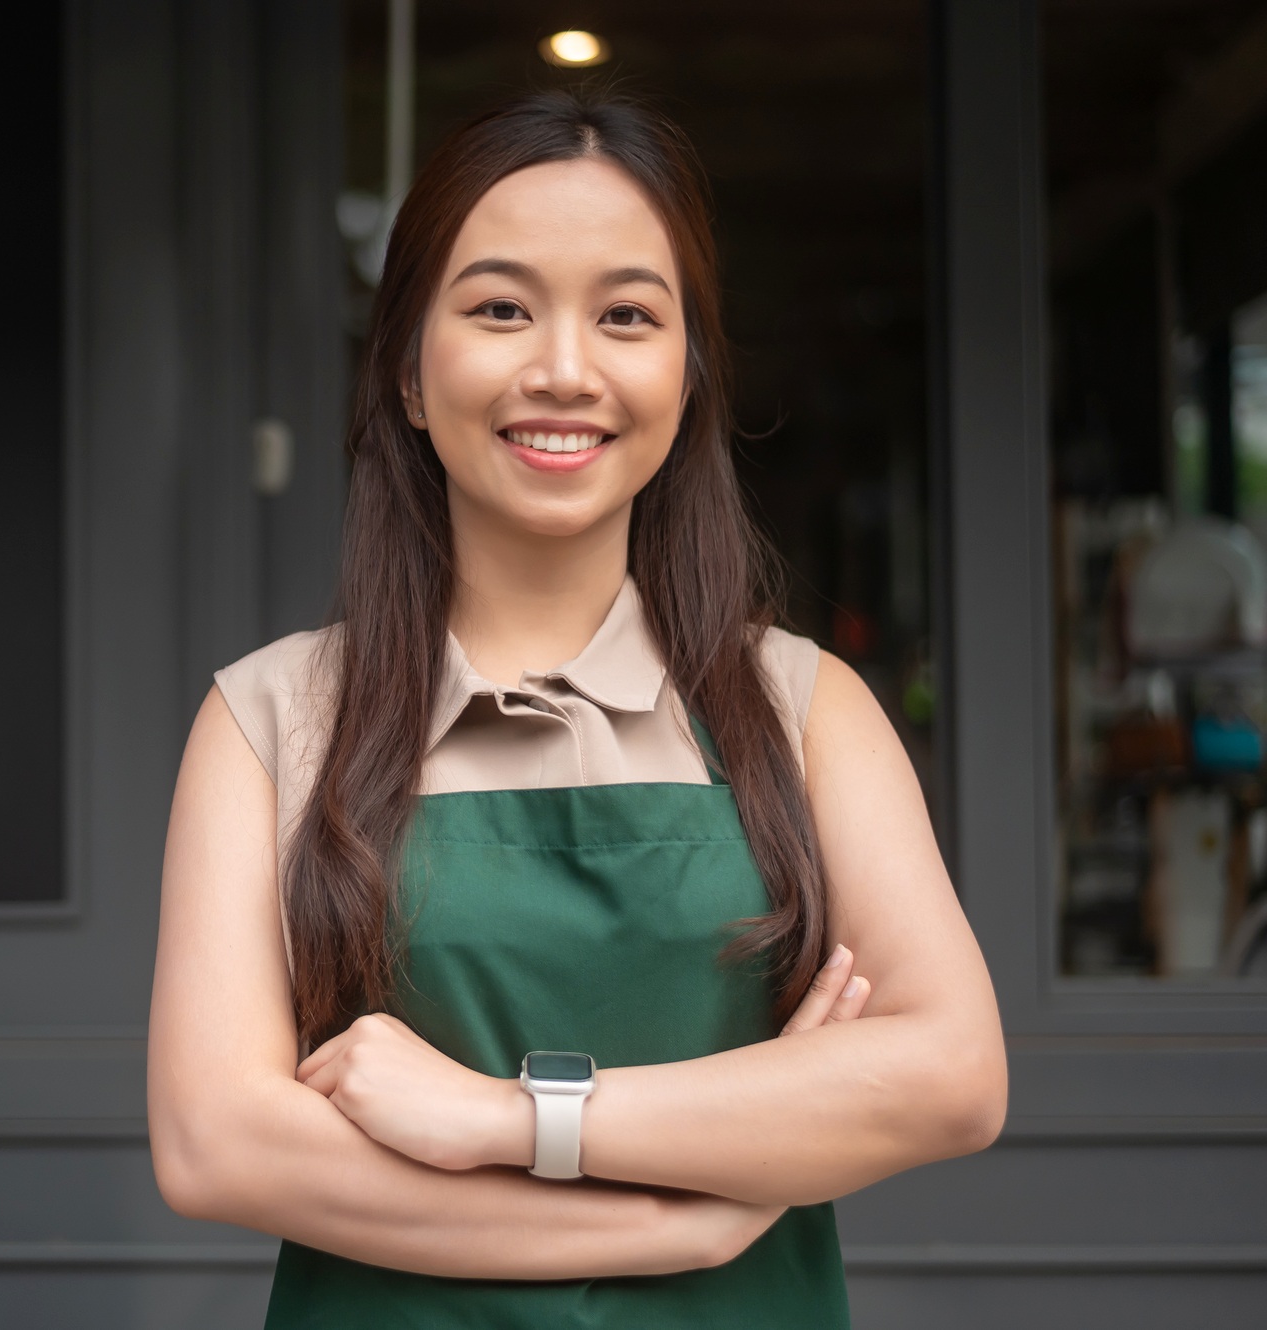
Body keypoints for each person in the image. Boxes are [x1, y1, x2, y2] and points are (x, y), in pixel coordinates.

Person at [147, 90, 1006, 1327]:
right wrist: (687, 1218)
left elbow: (951, 1077)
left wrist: (510, 1118)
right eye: (499, 307)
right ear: (402, 369)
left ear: (686, 374)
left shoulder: (805, 709)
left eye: (625, 317)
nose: (562, 370)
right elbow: (217, 1145)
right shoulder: (269, 719)